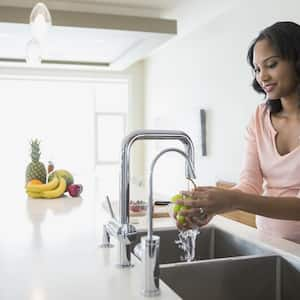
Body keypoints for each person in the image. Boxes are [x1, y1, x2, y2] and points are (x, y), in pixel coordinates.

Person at [175, 21, 300, 244]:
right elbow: (250, 184)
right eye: (257, 69)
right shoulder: (259, 118)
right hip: (270, 244)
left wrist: (233, 200)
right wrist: (209, 205)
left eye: (271, 65)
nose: (262, 77)